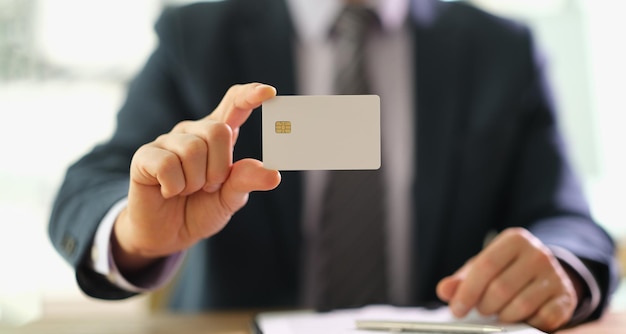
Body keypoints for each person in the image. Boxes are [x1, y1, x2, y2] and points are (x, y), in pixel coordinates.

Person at [48, 0, 619, 331]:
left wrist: (561, 267)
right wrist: (135, 232)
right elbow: (88, 186)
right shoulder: (196, 35)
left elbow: (565, 219)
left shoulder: (499, 47)